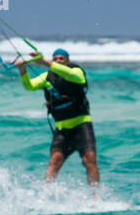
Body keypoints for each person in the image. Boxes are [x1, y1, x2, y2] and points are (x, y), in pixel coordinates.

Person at [14, 49, 99, 188]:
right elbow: (29, 86)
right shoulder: (47, 76)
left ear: (67, 61)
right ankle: (46, 196)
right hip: (61, 128)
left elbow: (72, 75)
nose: (58, 61)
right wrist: (22, 70)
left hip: (82, 125)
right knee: (55, 161)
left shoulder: (76, 71)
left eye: (61, 58)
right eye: (56, 59)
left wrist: (44, 62)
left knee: (89, 160)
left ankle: (96, 196)